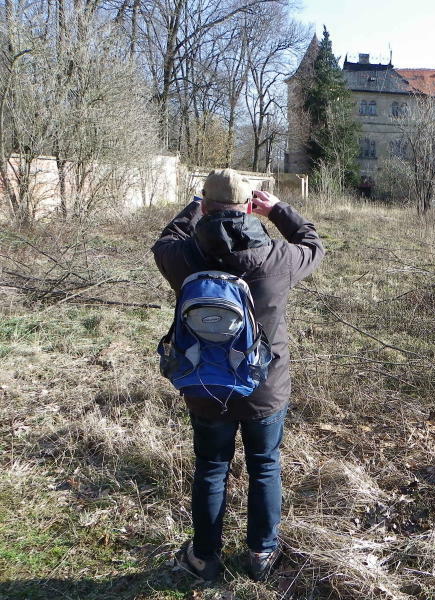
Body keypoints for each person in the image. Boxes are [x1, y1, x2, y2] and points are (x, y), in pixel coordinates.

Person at [151, 168, 324, 581]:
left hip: (204, 382)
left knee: (211, 466)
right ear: (250, 208)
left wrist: (195, 205)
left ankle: (204, 557)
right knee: (264, 464)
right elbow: (314, 244)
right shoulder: (278, 258)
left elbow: (165, 240)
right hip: (264, 384)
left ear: (206, 206)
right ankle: (262, 554)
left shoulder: (183, 257)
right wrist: (279, 210)